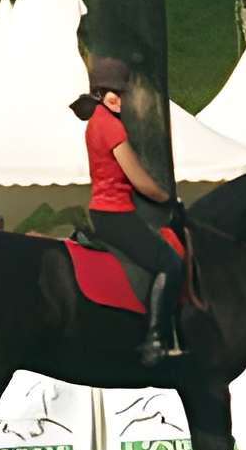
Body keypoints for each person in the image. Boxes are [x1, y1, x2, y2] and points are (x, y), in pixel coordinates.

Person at [77, 52, 187, 366]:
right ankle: (155, 341)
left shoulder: (95, 123)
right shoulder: (110, 126)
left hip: (103, 211)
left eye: (122, 93)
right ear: (101, 93)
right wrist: (167, 198)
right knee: (170, 264)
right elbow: (138, 179)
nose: (121, 99)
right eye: (117, 93)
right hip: (115, 213)